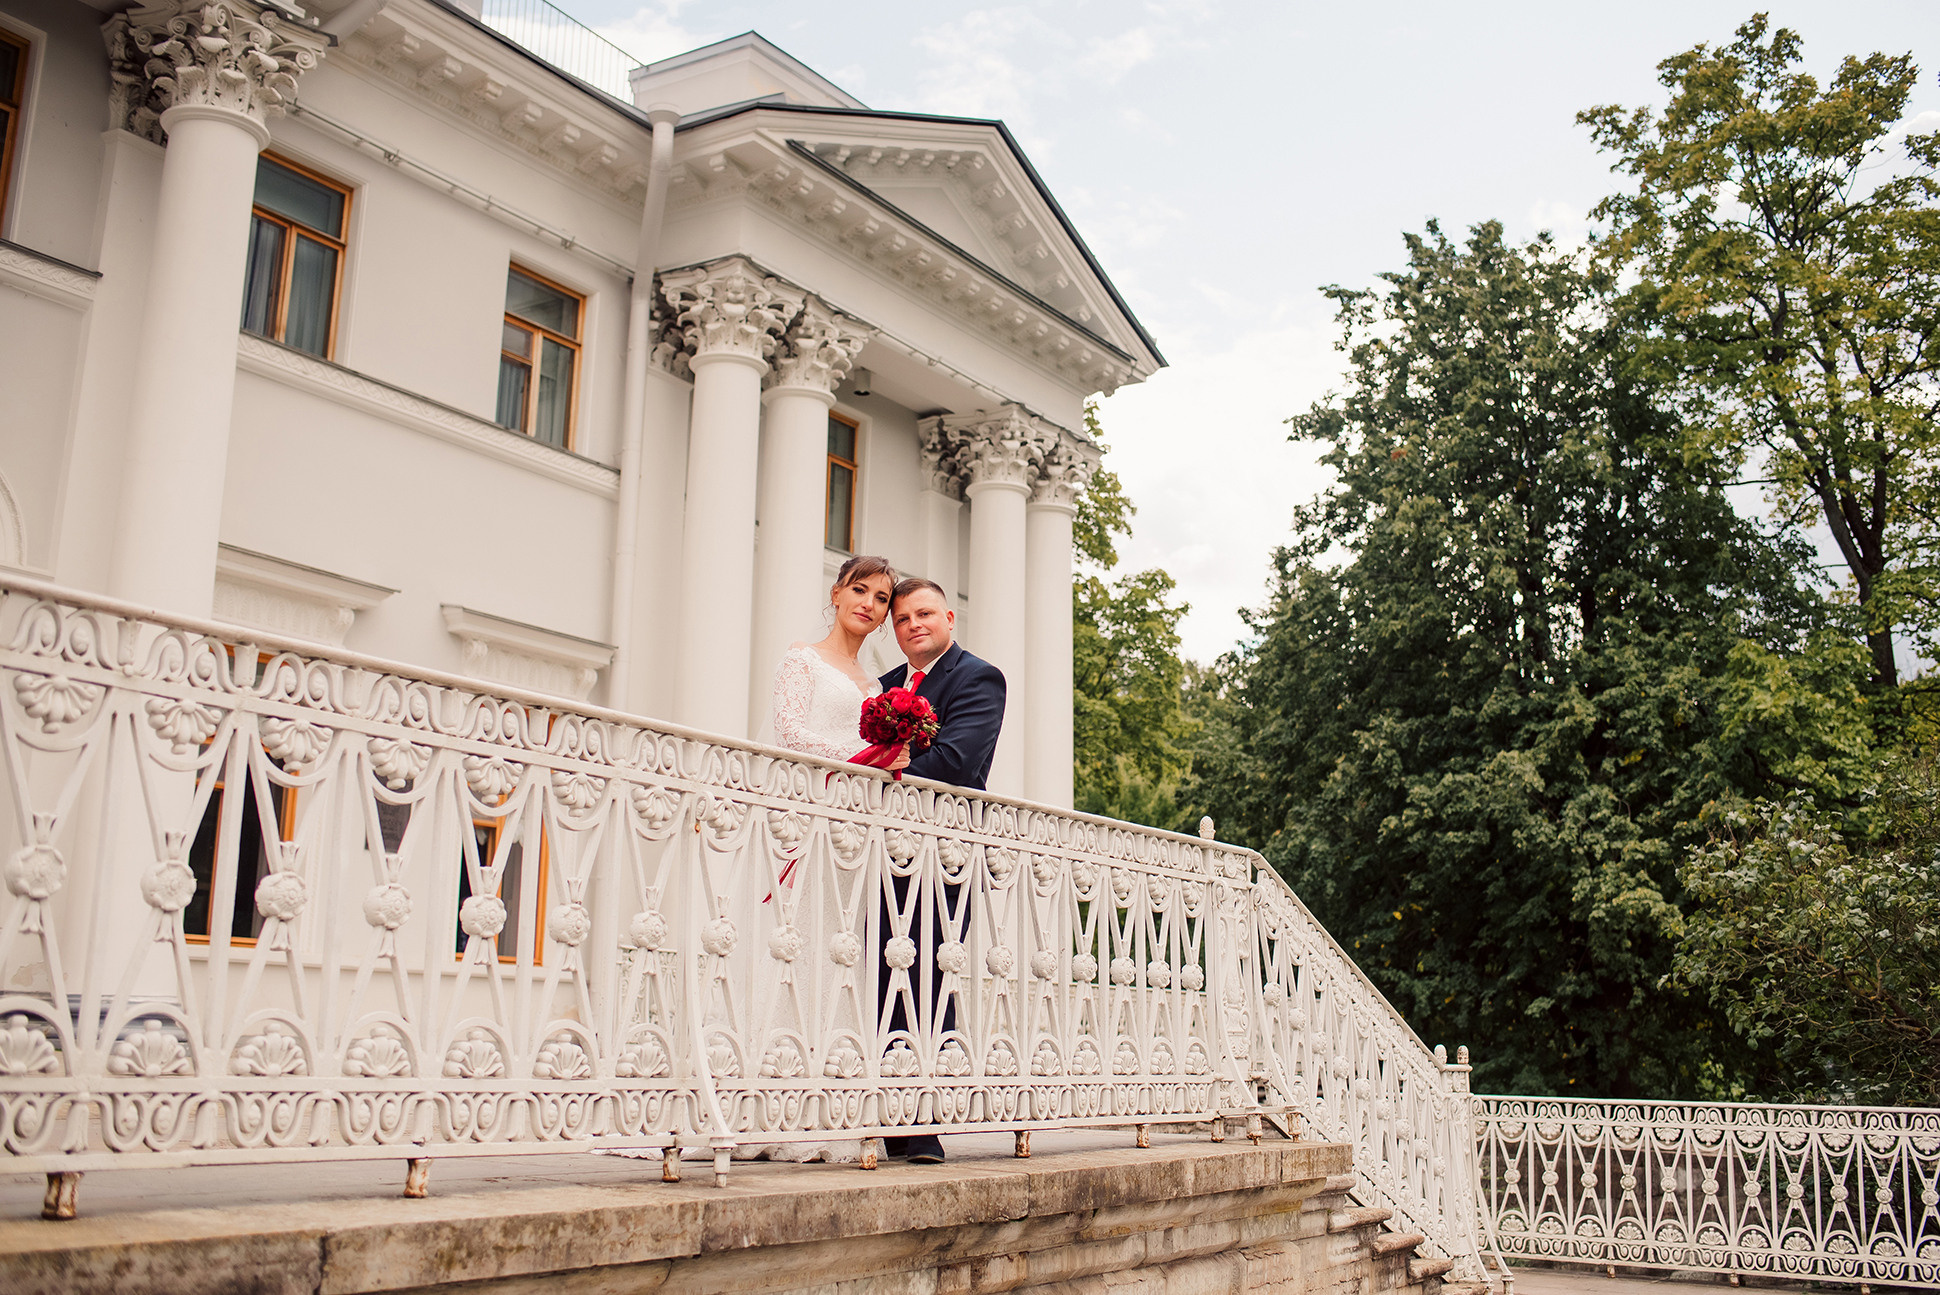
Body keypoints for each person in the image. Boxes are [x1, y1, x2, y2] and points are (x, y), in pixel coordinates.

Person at [758, 554, 904, 1165]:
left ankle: (825, 1097)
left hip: (851, 828)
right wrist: (866, 755)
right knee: (790, 940)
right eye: (860, 590)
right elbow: (791, 732)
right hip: (802, 812)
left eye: (880, 598)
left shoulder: (877, 685)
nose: (869, 604)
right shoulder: (803, 659)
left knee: (834, 947)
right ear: (838, 592)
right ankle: (769, 1100)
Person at [874, 577, 1007, 1164]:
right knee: (884, 977)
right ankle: (889, 1118)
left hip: (943, 850)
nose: (913, 626)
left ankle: (925, 1121)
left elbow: (957, 760)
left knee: (930, 976)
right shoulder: (882, 689)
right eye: (902, 620)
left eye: (923, 614)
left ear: (949, 618)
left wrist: (893, 764)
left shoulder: (978, 677)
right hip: (880, 847)